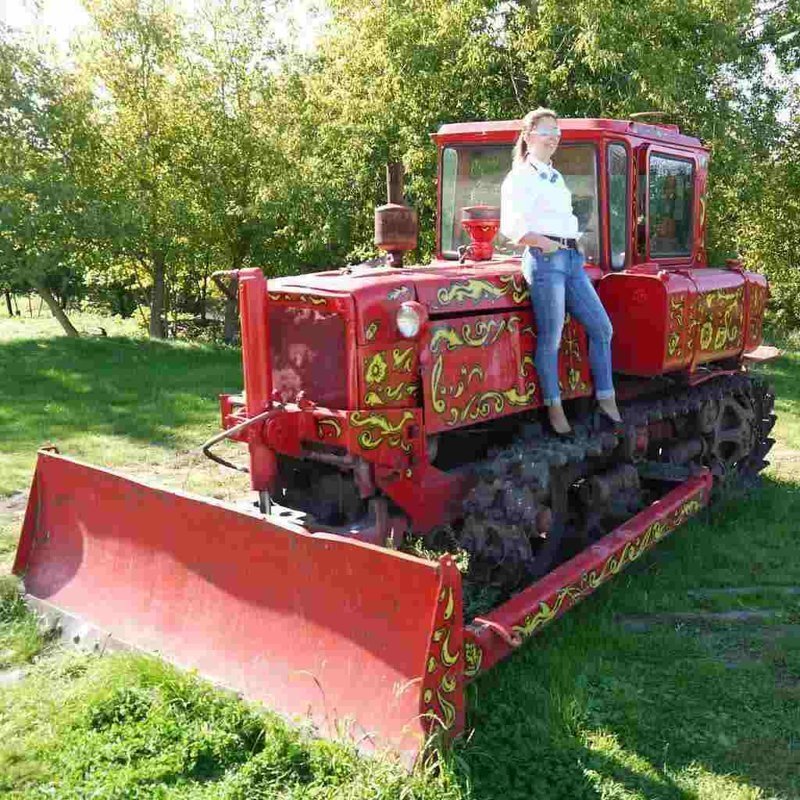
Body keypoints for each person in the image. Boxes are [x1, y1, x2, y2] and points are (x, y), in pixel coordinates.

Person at [500, 108, 622, 435]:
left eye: (557, 132)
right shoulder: (519, 177)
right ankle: (554, 407)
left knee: (602, 328)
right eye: (546, 131)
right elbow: (511, 227)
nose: (554, 137)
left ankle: (606, 397)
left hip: (570, 259)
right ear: (528, 136)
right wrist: (546, 244)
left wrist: (572, 245)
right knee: (551, 338)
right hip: (545, 260)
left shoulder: (556, 175)